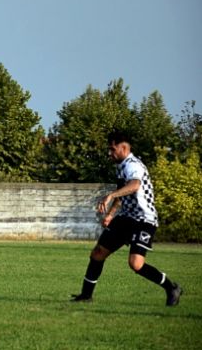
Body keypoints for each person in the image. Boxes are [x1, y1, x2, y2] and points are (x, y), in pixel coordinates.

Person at [71, 131, 182, 306]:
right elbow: (123, 194)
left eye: (112, 149)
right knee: (98, 253)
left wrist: (110, 195)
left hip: (144, 220)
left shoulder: (133, 165)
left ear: (123, 147)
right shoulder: (121, 166)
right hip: (126, 218)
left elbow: (134, 186)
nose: (110, 153)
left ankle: (171, 288)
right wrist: (110, 214)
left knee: (136, 264)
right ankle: (86, 296)